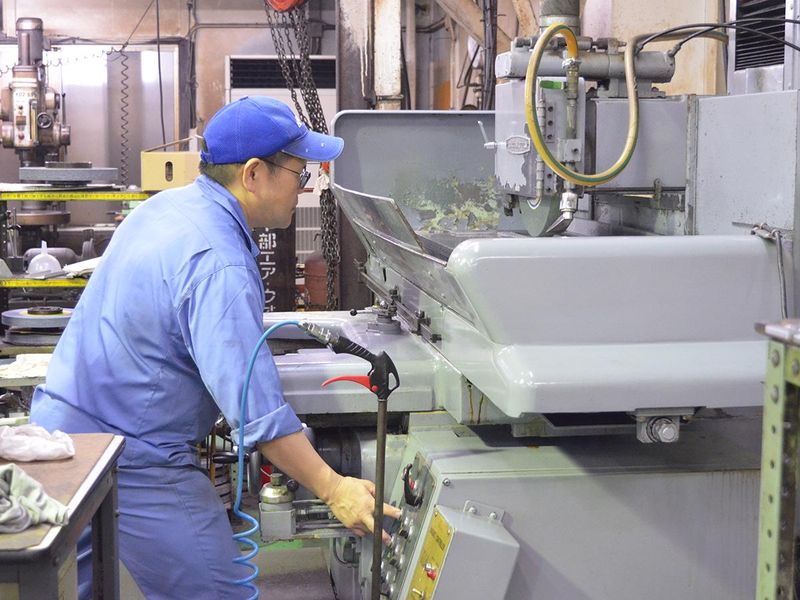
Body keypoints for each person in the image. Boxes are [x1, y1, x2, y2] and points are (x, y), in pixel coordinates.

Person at [30, 96, 400, 599]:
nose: (307, 186)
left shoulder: (169, 207)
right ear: (254, 174)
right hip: (135, 459)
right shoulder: (218, 261)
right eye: (300, 172)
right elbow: (256, 413)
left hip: (65, 435)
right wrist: (335, 488)